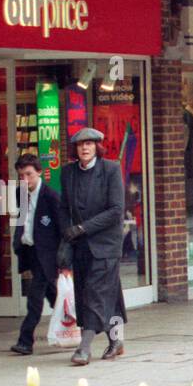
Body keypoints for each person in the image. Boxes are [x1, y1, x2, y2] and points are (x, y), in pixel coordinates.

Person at [60, 127, 127, 366]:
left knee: (96, 294)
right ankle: (116, 340)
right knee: (106, 292)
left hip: (106, 245)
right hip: (80, 246)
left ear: (97, 146)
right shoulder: (68, 172)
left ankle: (84, 347)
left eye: (89, 144)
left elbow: (116, 210)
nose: (85, 148)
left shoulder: (110, 169)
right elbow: (64, 208)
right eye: (80, 145)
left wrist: (83, 228)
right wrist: (66, 238)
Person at [9, 154, 63, 356]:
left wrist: (62, 258)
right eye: (21, 175)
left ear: (39, 172)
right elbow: (22, 221)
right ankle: (74, 321)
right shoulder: (20, 194)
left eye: (29, 175)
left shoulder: (51, 197)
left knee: (34, 296)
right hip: (30, 250)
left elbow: (61, 228)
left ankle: (25, 340)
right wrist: (18, 243)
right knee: (53, 294)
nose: (25, 180)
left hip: (47, 254)